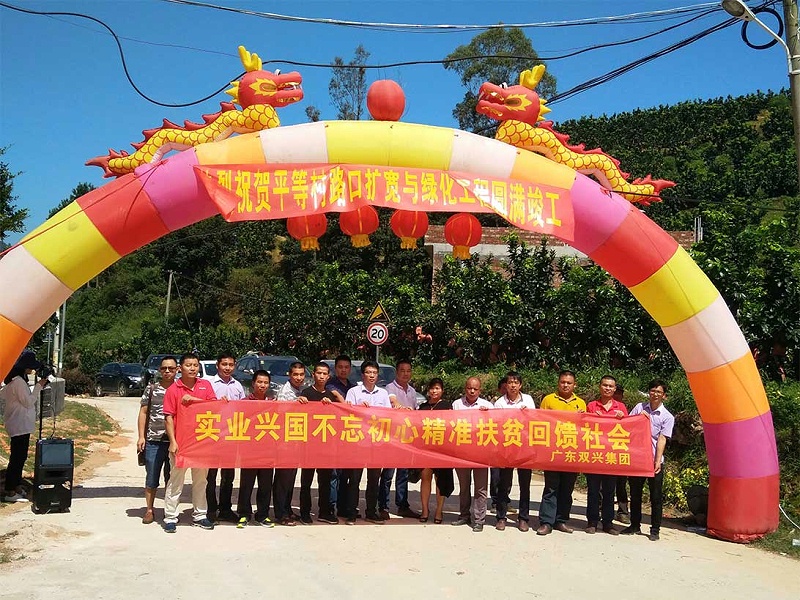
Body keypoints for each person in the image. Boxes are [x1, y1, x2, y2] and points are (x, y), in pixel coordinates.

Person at [162, 352, 218, 532]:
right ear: (180, 368)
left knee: (201, 481)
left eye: (195, 365)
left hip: (202, 442)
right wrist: (173, 441)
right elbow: (168, 418)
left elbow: (214, 407)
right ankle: (170, 517)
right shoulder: (173, 389)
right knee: (175, 481)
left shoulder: (205, 385)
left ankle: (200, 515)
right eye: (188, 365)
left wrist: (194, 400)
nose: (192, 368)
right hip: (181, 444)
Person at [622, 379, 675, 541]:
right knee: (635, 494)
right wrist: (638, 417)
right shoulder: (639, 407)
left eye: (659, 392)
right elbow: (627, 425)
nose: (655, 394)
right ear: (649, 392)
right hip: (637, 458)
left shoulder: (667, 417)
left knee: (656, 496)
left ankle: (655, 529)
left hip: (653, 460)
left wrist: (657, 461)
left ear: (664, 396)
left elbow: (662, 439)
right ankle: (634, 525)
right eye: (653, 390)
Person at [536, 370, 586, 536]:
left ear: (574, 385)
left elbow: (585, 429)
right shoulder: (548, 400)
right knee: (551, 488)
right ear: (558, 383)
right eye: (563, 382)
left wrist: (581, 418)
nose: (565, 385)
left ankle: (561, 520)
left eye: (569, 383)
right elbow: (540, 422)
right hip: (553, 451)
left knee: (567, 488)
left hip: (572, 452)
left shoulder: (581, 403)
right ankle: (546, 522)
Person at [344, 360, 394, 524]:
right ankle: (351, 512)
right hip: (358, 442)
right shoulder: (353, 392)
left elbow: (388, 416)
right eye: (368, 372)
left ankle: (371, 512)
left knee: (374, 480)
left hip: (376, 443)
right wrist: (359, 408)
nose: (371, 375)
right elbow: (347, 413)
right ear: (362, 374)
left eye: (374, 373)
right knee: (354, 480)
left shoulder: (383, 394)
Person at [297, 361, 342, 524]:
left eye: (324, 374)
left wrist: (335, 400)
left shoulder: (330, 396)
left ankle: (324, 511)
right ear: (313, 374)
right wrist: (300, 402)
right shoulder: (306, 393)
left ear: (328, 376)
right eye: (319, 373)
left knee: (325, 481)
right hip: (309, 445)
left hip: (326, 445)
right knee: (306, 481)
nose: (321, 376)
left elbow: (343, 415)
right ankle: (304, 512)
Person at [1, 351, 48, 503]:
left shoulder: (15, 381)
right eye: (30, 367)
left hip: (19, 424)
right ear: (24, 367)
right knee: (17, 458)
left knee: (20, 457)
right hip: (19, 425)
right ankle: (10, 491)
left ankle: (16, 486)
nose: (32, 369)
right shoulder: (18, 383)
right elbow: (28, 402)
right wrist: (39, 386)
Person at [584, 374, 628, 535]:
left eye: (610, 386)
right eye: (605, 385)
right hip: (595, 455)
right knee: (593, 490)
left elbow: (628, 429)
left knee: (609, 491)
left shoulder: (620, 408)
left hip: (612, 456)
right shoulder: (591, 406)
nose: (607, 388)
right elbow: (583, 428)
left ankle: (608, 523)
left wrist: (623, 419)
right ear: (600, 387)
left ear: (615, 389)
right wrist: (590, 418)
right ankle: (592, 521)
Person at [136, 355, 177, 524]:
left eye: (171, 368)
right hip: (154, 439)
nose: (167, 371)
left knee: (172, 478)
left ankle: (169, 511)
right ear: (160, 370)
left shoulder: (180, 389)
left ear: (177, 370)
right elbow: (143, 412)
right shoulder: (152, 388)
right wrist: (141, 436)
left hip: (174, 441)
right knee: (152, 476)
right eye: (164, 368)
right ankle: (149, 510)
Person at [493, 371, 536, 532]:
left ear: (520, 385)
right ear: (506, 385)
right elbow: (496, 424)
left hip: (525, 448)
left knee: (525, 485)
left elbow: (535, 421)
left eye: (516, 382)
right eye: (510, 382)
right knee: (504, 484)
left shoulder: (528, 400)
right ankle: (501, 517)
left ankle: (523, 518)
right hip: (506, 448)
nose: (513, 385)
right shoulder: (499, 403)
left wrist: (527, 413)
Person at [206, 352, 246, 523]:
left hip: (231, 436)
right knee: (210, 476)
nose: (227, 368)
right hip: (213, 435)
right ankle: (210, 509)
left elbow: (245, 409)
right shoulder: (209, 384)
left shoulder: (238, 386)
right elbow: (202, 407)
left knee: (228, 476)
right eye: (224, 364)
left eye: (231, 365)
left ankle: (225, 509)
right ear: (217, 365)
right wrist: (215, 403)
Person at [380, 358, 421, 519]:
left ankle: (402, 505)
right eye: (402, 370)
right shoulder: (389, 388)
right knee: (388, 474)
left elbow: (416, 412)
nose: (405, 374)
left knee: (403, 474)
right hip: (391, 438)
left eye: (408, 371)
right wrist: (402, 409)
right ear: (396, 372)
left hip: (407, 438)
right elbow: (393, 401)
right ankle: (383, 506)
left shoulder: (412, 391)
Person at [452, 377, 493, 532]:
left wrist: (487, 415)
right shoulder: (456, 404)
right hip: (462, 452)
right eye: (469, 388)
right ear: (465, 388)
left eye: (475, 389)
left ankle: (479, 519)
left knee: (480, 489)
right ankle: (464, 515)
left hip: (481, 453)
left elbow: (496, 426)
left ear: (480, 390)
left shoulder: (487, 406)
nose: (472, 391)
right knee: (464, 487)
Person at [237, 370, 276, 528]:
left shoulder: (273, 403)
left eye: (265, 383)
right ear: (253, 383)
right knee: (246, 484)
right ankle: (244, 514)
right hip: (249, 450)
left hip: (268, 450)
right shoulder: (244, 402)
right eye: (259, 382)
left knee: (265, 484)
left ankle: (263, 515)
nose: (262, 385)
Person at [273, 361, 307, 526]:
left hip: (296, 439)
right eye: (295, 374)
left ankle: (287, 508)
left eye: (301, 374)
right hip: (285, 441)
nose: (298, 378)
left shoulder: (300, 390)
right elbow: (282, 415)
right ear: (289, 375)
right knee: (283, 478)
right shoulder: (286, 392)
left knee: (291, 477)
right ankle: (280, 513)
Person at [417, 377, 454, 524]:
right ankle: (425, 510)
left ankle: (439, 511)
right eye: (432, 388)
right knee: (425, 478)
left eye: (437, 388)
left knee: (441, 480)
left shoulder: (447, 406)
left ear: (442, 390)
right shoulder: (423, 407)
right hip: (426, 449)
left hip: (442, 450)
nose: (434, 391)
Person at [325, 355, 356, 520]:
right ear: (335, 369)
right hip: (333, 434)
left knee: (346, 474)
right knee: (334, 474)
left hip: (349, 435)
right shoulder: (330, 384)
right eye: (340, 367)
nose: (343, 370)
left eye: (346, 367)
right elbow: (335, 395)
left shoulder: (353, 387)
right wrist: (343, 402)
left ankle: (343, 507)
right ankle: (330, 507)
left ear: (350, 369)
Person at [613, 383, 631, 524]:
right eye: (616, 392)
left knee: (621, 484)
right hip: (601, 451)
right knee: (601, 485)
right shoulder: (596, 406)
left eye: (620, 393)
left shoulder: (622, 408)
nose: (618, 395)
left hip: (619, 452)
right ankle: (600, 509)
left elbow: (629, 426)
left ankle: (623, 512)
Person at [489, 376, 508, 512]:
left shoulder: (523, 403)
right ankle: (495, 501)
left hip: (511, 444)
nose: (506, 390)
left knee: (507, 476)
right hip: (496, 445)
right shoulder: (495, 404)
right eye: (503, 388)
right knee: (496, 475)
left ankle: (505, 500)